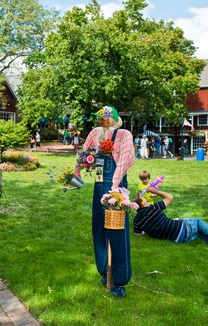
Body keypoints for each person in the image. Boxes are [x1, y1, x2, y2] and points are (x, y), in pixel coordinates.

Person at [73, 106, 135, 297]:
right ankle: (104, 269)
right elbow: (84, 154)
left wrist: (115, 188)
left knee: (117, 232)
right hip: (99, 185)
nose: (101, 122)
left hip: (116, 187)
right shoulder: (94, 133)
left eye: (104, 118)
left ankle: (119, 279)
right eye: (99, 119)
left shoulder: (124, 135)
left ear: (113, 119)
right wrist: (76, 171)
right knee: (98, 228)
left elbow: (126, 159)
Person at [133, 187, 208, 247]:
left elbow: (139, 234)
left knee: (198, 232)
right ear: (143, 205)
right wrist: (156, 191)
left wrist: (147, 229)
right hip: (182, 229)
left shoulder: (136, 221)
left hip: (179, 240)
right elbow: (170, 197)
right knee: (197, 222)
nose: (149, 202)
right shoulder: (153, 208)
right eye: (146, 201)